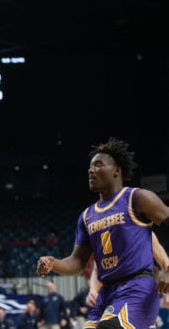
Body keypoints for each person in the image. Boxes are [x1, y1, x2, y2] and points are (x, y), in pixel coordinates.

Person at [37, 137, 169, 328]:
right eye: (90, 167)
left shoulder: (137, 198)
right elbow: (77, 262)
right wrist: (53, 263)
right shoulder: (87, 216)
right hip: (107, 294)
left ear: (117, 171)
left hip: (137, 288)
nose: (91, 170)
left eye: (98, 165)